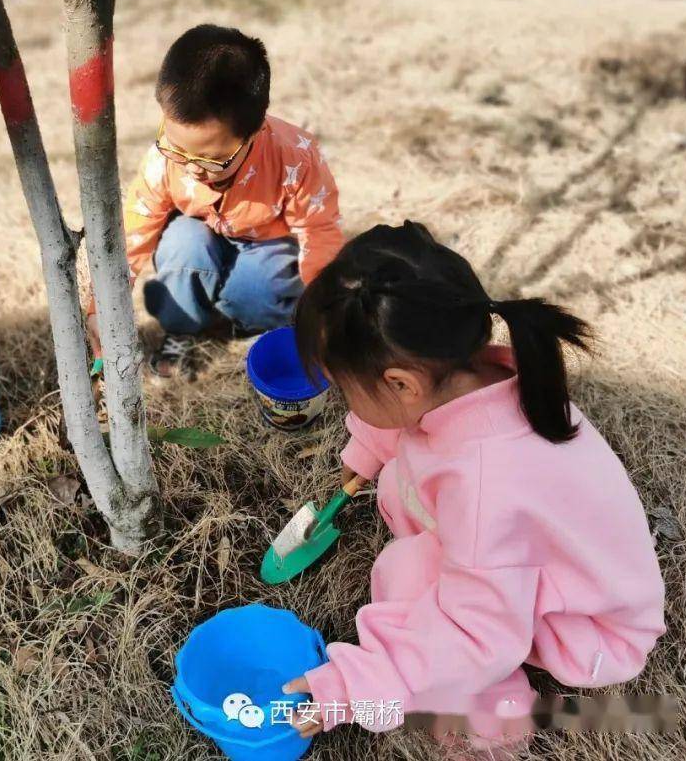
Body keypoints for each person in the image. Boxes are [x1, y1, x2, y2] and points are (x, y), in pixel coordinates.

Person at [281, 222, 665, 751]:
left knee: (405, 570)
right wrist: (369, 449)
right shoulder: (468, 372)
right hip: (534, 562)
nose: (348, 402)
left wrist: (355, 685)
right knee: (399, 480)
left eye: (348, 390)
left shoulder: (487, 486)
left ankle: (496, 709)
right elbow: (403, 419)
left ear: (401, 384)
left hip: (588, 625)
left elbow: (474, 629)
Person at [86, 24, 346, 378]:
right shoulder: (165, 160)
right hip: (200, 235)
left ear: (254, 132)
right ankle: (182, 326)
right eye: (176, 148)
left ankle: (245, 318)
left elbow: (318, 234)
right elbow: (133, 232)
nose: (191, 168)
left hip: (265, 244)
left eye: (210, 160)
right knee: (181, 244)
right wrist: (99, 308)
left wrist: (324, 313)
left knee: (260, 288)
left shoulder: (295, 157)